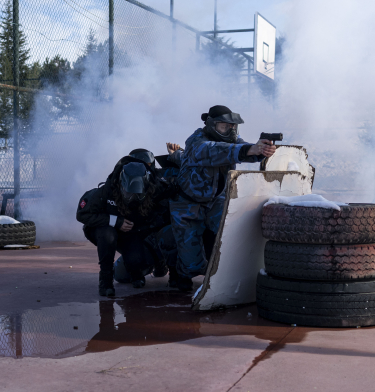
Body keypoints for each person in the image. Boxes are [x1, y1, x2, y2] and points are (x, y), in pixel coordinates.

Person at [170, 105, 276, 292]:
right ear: (211, 125)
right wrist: (250, 149)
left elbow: (243, 150)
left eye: (233, 126)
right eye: (224, 126)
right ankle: (180, 273)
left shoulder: (230, 138)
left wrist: (260, 150)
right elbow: (215, 151)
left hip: (216, 201)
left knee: (236, 237)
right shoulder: (196, 141)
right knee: (193, 265)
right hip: (188, 205)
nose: (230, 130)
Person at [77, 151, 175, 296]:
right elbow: (82, 214)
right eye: (128, 194)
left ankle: (145, 270)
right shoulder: (107, 190)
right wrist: (114, 221)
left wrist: (177, 158)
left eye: (138, 194)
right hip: (108, 229)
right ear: (121, 184)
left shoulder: (156, 187)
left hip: (133, 233)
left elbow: (178, 187)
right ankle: (105, 282)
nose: (132, 198)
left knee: (136, 261)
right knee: (107, 234)